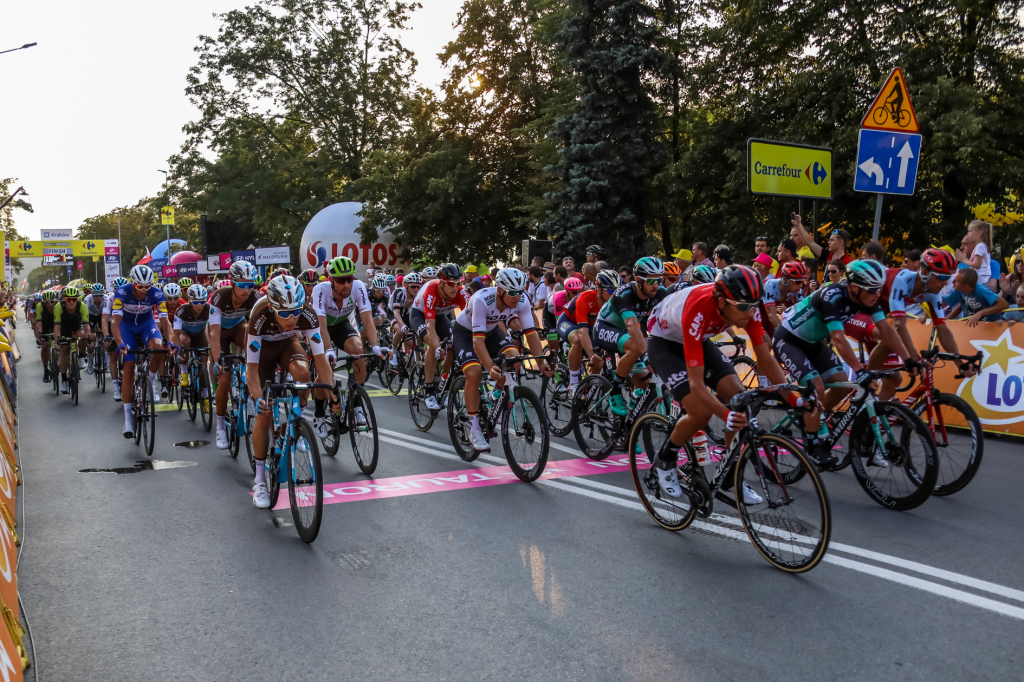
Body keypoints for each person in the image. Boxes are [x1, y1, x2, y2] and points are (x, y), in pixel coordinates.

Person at [647, 265, 792, 502]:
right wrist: (725, 416)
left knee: (739, 398)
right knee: (701, 411)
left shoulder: (745, 305)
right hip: (665, 344)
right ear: (723, 301)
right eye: (744, 307)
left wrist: (793, 397)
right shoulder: (699, 309)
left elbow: (765, 357)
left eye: (754, 306)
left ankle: (730, 473)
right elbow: (697, 386)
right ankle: (666, 458)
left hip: (698, 338)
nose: (750, 313)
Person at [773, 259, 914, 467]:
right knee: (817, 385)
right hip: (789, 339)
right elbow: (838, 338)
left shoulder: (868, 297)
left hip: (812, 342)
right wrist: (860, 370)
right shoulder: (833, 295)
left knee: (840, 386)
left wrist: (909, 358)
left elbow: (885, 329)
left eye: (880, 289)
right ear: (855, 287)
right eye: (874, 289)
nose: (878, 294)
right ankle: (813, 444)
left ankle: (813, 417)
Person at [246, 276, 335, 509]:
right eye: (284, 313)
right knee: (264, 412)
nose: (291, 318)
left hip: (287, 345)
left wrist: (334, 393)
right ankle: (259, 480)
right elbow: (251, 371)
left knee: (303, 373)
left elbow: (321, 361)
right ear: (272, 307)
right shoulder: (259, 316)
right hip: (263, 351)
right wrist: (257, 399)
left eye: (295, 311)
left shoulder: (307, 315)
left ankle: (296, 420)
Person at [453, 268, 551, 452]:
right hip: (466, 334)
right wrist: (490, 367)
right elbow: (477, 342)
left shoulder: (521, 300)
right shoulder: (482, 300)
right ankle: (474, 429)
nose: (517, 297)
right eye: (512, 292)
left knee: (515, 360)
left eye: (520, 292)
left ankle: (495, 394)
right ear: (499, 290)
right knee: (474, 372)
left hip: (491, 332)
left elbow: (530, 333)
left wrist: (541, 363)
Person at [867, 248, 974, 401]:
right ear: (925, 273)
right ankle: (864, 385)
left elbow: (942, 329)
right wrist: (915, 358)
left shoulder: (933, 293)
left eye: (948, 277)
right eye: (942, 276)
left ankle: (871, 419)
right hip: (861, 312)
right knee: (889, 339)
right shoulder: (902, 280)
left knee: (894, 379)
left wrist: (959, 363)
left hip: (878, 316)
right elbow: (899, 325)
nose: (945, 283)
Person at [313, 256, 390, 430]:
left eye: (349, 278)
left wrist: (375, 346)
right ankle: (318, 413)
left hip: (340, 324)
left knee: (358, 350)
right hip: (321, 328)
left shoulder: (358, 287)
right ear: (331, 280)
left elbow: (367, 318)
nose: (346, 284)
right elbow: (321, 326)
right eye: (341, 280)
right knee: (326, 367)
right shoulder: (320, 290)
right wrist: (328, 351)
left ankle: (356, 404)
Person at [592, 257, 669, 414]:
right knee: (636, 348)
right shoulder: (624, 293)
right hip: (605, 327)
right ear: (639, 280)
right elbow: (632, 325)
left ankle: (631, 420)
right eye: (651, 281)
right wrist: (646, 354)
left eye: (659, 280)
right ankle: (615, 391)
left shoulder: (660, 292)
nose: (656, 285)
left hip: (626, 332)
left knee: (644, 379)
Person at [111, 265, 173, 438]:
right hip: (127, 328)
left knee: (158, 347)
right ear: (132, 284)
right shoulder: (122, 293)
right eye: (140, 287)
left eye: (148, 286)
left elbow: (164, 320)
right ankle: (127, 421)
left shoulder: (157, 293)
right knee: (129, 367)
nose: (144, 291)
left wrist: (171, 341)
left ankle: (151, 382)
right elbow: (115, 322)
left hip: (146, 326)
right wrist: (120, 343)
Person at [209, 260, 260, 449]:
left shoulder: (255, 298)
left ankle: (249, 382)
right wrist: (217, 360)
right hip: (220, 332)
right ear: (232, 283)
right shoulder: (219, 298)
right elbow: (213, 333)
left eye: (250, 284)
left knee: (250, 332)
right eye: (242, 284)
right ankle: (220, 425)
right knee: (224, 379)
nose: (247, 289)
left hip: (238, 328)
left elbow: (258, 330)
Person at [410, 263, 469, 410]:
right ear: (442, 283)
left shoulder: (461, 293)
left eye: (458, 283)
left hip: (441, 316)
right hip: (420, 316)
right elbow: (430, 326)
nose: (455, 287)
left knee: (452, 346)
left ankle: (442, 385)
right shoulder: (431, 290)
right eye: (451, 284)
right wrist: (436, 347)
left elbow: (472, 320)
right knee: (432, 345)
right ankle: (429, 391)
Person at [557, 270, 620, 397]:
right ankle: (573, 383)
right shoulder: (584, 298)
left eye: (617, 291)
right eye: (611, 291)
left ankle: (588, 389)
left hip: (592, 327)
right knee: (578, 340)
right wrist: (591, 354)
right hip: (568, 321)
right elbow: (583, 331)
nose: (615, 295)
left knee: (600, 361)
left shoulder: (616, 303)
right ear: (599, 290)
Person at [52, 286, 91, 393]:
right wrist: (57, 341)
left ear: (78, 299)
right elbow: (57, 328)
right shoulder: (59, 306)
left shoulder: (82, 306)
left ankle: (81, 356)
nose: (71, 302)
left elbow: (86, 326)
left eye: (74, 299)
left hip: (76, 324)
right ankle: (64, 380)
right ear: (64, 298)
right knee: (64, 349)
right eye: (69, 299)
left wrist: (88, 339)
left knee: (83, 336)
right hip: (63, 326)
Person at [764, 261, 808, 329]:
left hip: (774, 317)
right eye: (798, 282)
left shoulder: (797, 290)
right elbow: (771, 315)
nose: (801, 285)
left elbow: (804, 310)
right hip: (760, 313)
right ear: (785, 279)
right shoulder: (770, 285)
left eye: (803, 281)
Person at [955, 220, 993, 286]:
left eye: (970, 231)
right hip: (980, 279)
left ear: (979, 233)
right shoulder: (982, 246)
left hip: (979, 279)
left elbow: (977, 265)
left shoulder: (980, 246)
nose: (968, 234)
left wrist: (964, 260)